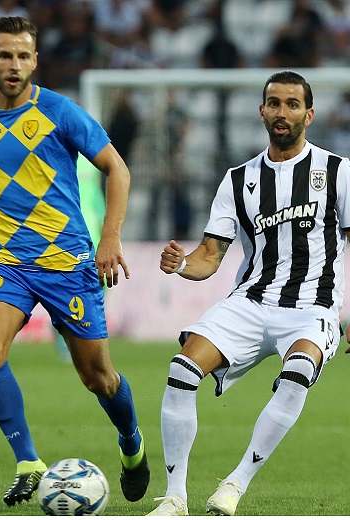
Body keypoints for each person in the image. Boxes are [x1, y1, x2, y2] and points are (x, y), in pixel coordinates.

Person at [0, 16, 149, 507]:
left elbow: (117, 169)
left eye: (23, 56)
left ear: (35, 61)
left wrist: (110, 237)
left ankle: (131, 441)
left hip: (67, 261)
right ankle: (29, 463)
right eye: (5, 55)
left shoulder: (60, 111)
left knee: (98, 378)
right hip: (3, 260)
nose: (14, 64)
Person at [147, 70, 350, 516]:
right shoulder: (239, 179)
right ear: (261, 112)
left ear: (309, 115)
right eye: (274, 103)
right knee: (181, 370)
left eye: (292, 104)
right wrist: (181, 264)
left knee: (298, 370)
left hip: (313, 307)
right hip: (251, 301)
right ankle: (175, 497)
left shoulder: (338, 171)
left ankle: (235, 484)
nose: (282, 112)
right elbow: (209, 256)